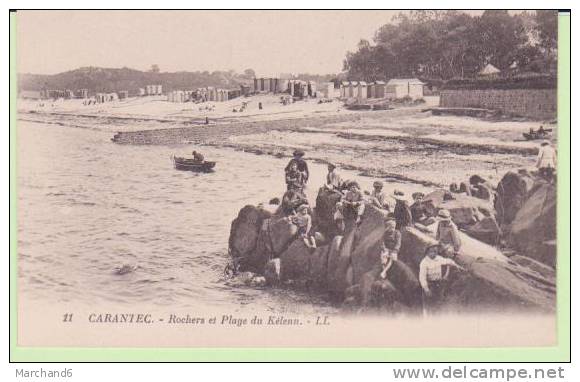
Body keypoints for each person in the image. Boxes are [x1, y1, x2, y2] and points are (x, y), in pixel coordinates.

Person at [419, 244, 464, 312]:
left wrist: (458, 266)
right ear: (427, 252)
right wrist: (426, 289)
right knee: (428, 306)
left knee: (438, 303)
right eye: (431, 252)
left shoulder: (438, 258)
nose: (433, 253)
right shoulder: (424, 263)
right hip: (429, 285)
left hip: (438, 284)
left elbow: (448, 261)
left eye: (435, 251)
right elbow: (422, 278)